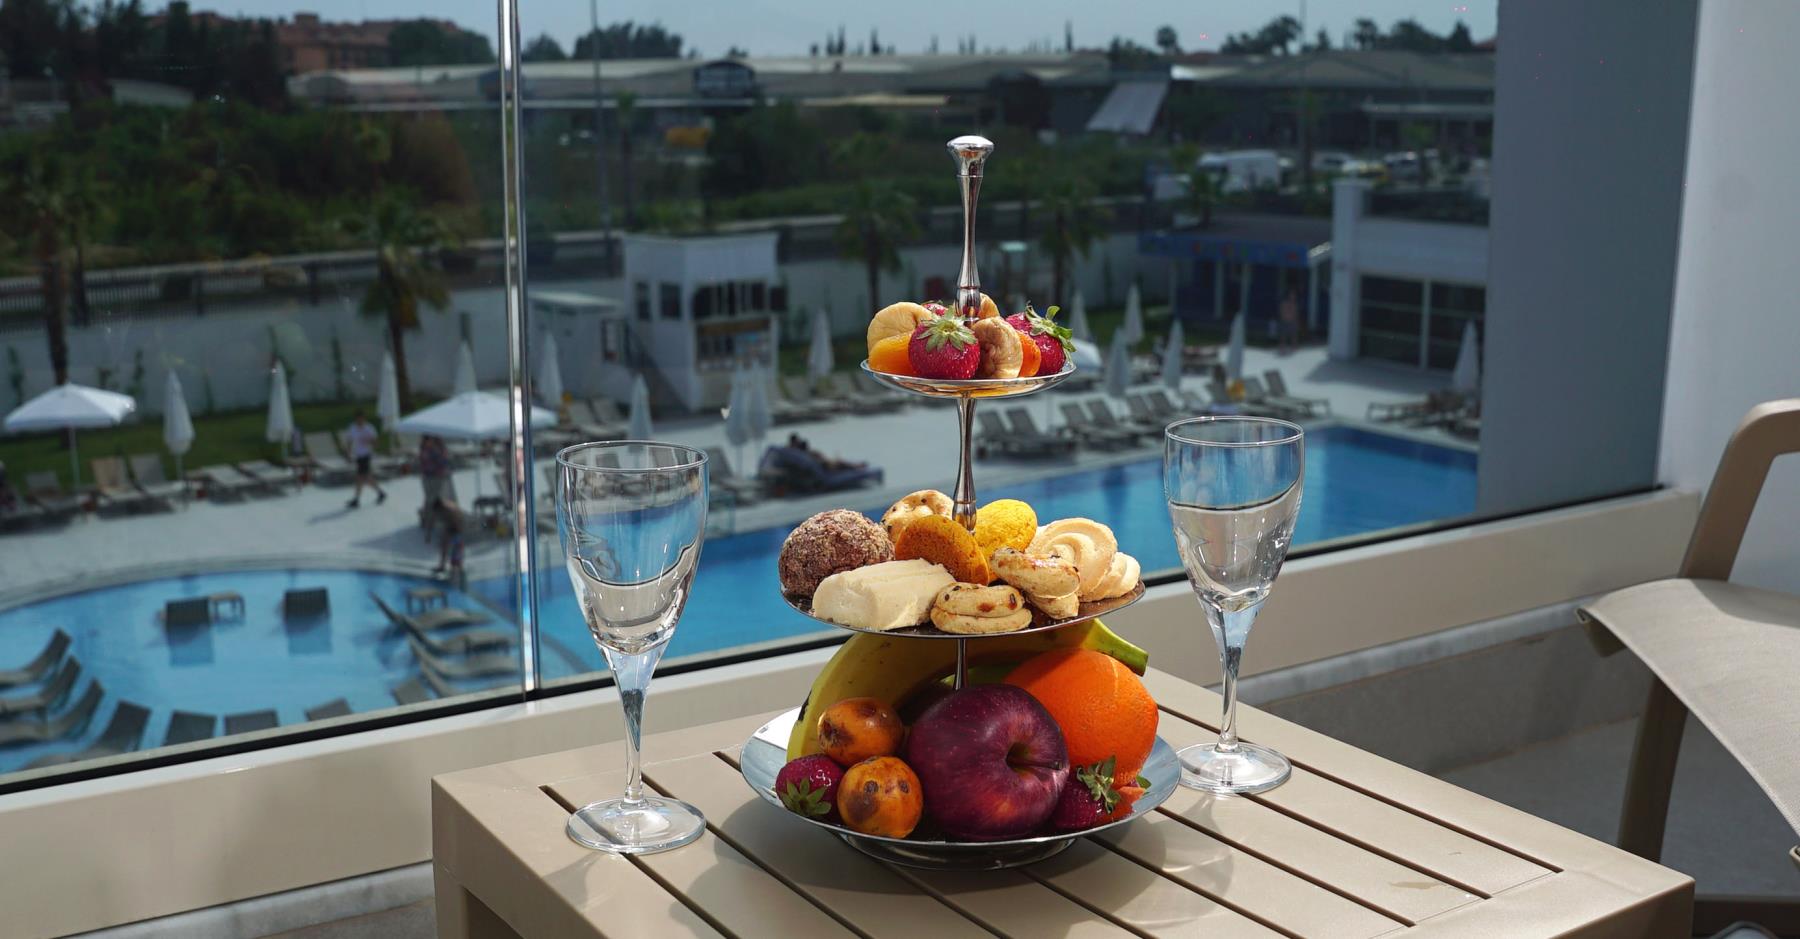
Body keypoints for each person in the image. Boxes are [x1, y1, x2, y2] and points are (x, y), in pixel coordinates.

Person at [344, 410, 386, 508]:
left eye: (362, 419)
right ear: (356, 419)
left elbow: (376, 443)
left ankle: (357, 500)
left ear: (364, 418)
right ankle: (380, 493)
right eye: (358, 419)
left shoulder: (369, 428)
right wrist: (348, 453)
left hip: (366, 455)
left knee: (360, 478)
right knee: (365, 478)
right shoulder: (352, 428)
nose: (360, 421)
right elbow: (349, 440)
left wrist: (369, 441)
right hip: (358, 456)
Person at [416, 434, 454, 535]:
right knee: (430, 498)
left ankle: (429, 519)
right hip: (429, 477)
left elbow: (445, 461)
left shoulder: (438, 447)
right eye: (427, 440)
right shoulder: (426, 450)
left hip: (438, 477)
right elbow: (427, 463)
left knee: (433, 498)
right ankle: (427, 519)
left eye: (430, 440)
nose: (429, 442)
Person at [430, 497, 465, 585]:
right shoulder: (445, 507)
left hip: (456, 528)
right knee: (445, 547)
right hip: (453, 527)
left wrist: (452, 532)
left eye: (437, 511)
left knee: (456, 549)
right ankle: (444, 566)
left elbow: (457, 521)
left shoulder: (448, 510)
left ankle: (457, 569)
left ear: (439, 507)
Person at [1277, 287, 1301, 354]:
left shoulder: (1295, 304)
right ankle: (1282, 349)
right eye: (1292, 295)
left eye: (1294, 295)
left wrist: (1296, 321)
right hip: (1285, 321)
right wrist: (1285, 316)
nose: (1293, 296)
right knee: (1283, 336)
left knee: (1294, 335)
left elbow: (1296, 313)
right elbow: (1282, 311)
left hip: (1293, 321)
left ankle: (1293, 349)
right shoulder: (1284, 303)